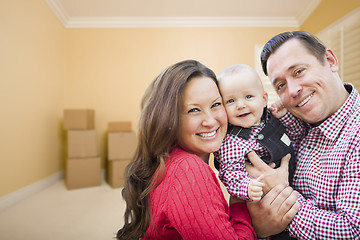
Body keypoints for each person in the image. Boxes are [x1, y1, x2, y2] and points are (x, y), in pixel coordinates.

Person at [115, 60, 299, 239]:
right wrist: (253, 221)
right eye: (194, 110)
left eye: (216, 104)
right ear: (169, 118)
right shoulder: (188, 170)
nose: (210, 121)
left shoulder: (170, 159)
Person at [247, 31, 360, 239]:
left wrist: (281, 196)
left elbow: (353, 231)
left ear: (330, 61)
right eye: (280, 85)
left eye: (299, 71)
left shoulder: (356, 136)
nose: (292, 90)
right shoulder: (295, 125)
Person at [213, 64, 296, 203]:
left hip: (297, 185)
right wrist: (247, 187)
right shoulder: (232, 142)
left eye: (248, 96)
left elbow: (295, 135)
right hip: (266, 199)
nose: (240, 105)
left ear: (264, 99)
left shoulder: (271, 118)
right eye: (230, 101)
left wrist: (284, 116)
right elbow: (230, 174)